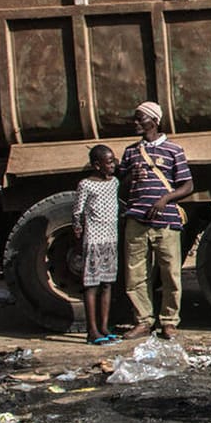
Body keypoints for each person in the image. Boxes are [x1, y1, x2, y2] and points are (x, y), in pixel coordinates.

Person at [118, 101, 193, 341]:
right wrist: (131, 176)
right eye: (135, 118)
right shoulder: (130, 152)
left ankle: (169, 322)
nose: (136, 122)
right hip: (136, 220)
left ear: (155, 121)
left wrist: (165, 200)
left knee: (170, 273)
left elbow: (187, 185)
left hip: (167, 221)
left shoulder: (174, 150)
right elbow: (122, 186)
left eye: (141, 118)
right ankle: (142, 321)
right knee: (135, 274)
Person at [74, 144, 120, 345]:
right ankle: (92, 330)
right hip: (93, 239)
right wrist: (77, 229)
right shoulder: (86, 185)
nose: (113, 165)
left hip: (111, 239)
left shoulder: (114, 182)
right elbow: (78, 211)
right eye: (109, 162)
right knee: (91, 285)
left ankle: (104, 326)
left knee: (107, 283)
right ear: (97, 165)